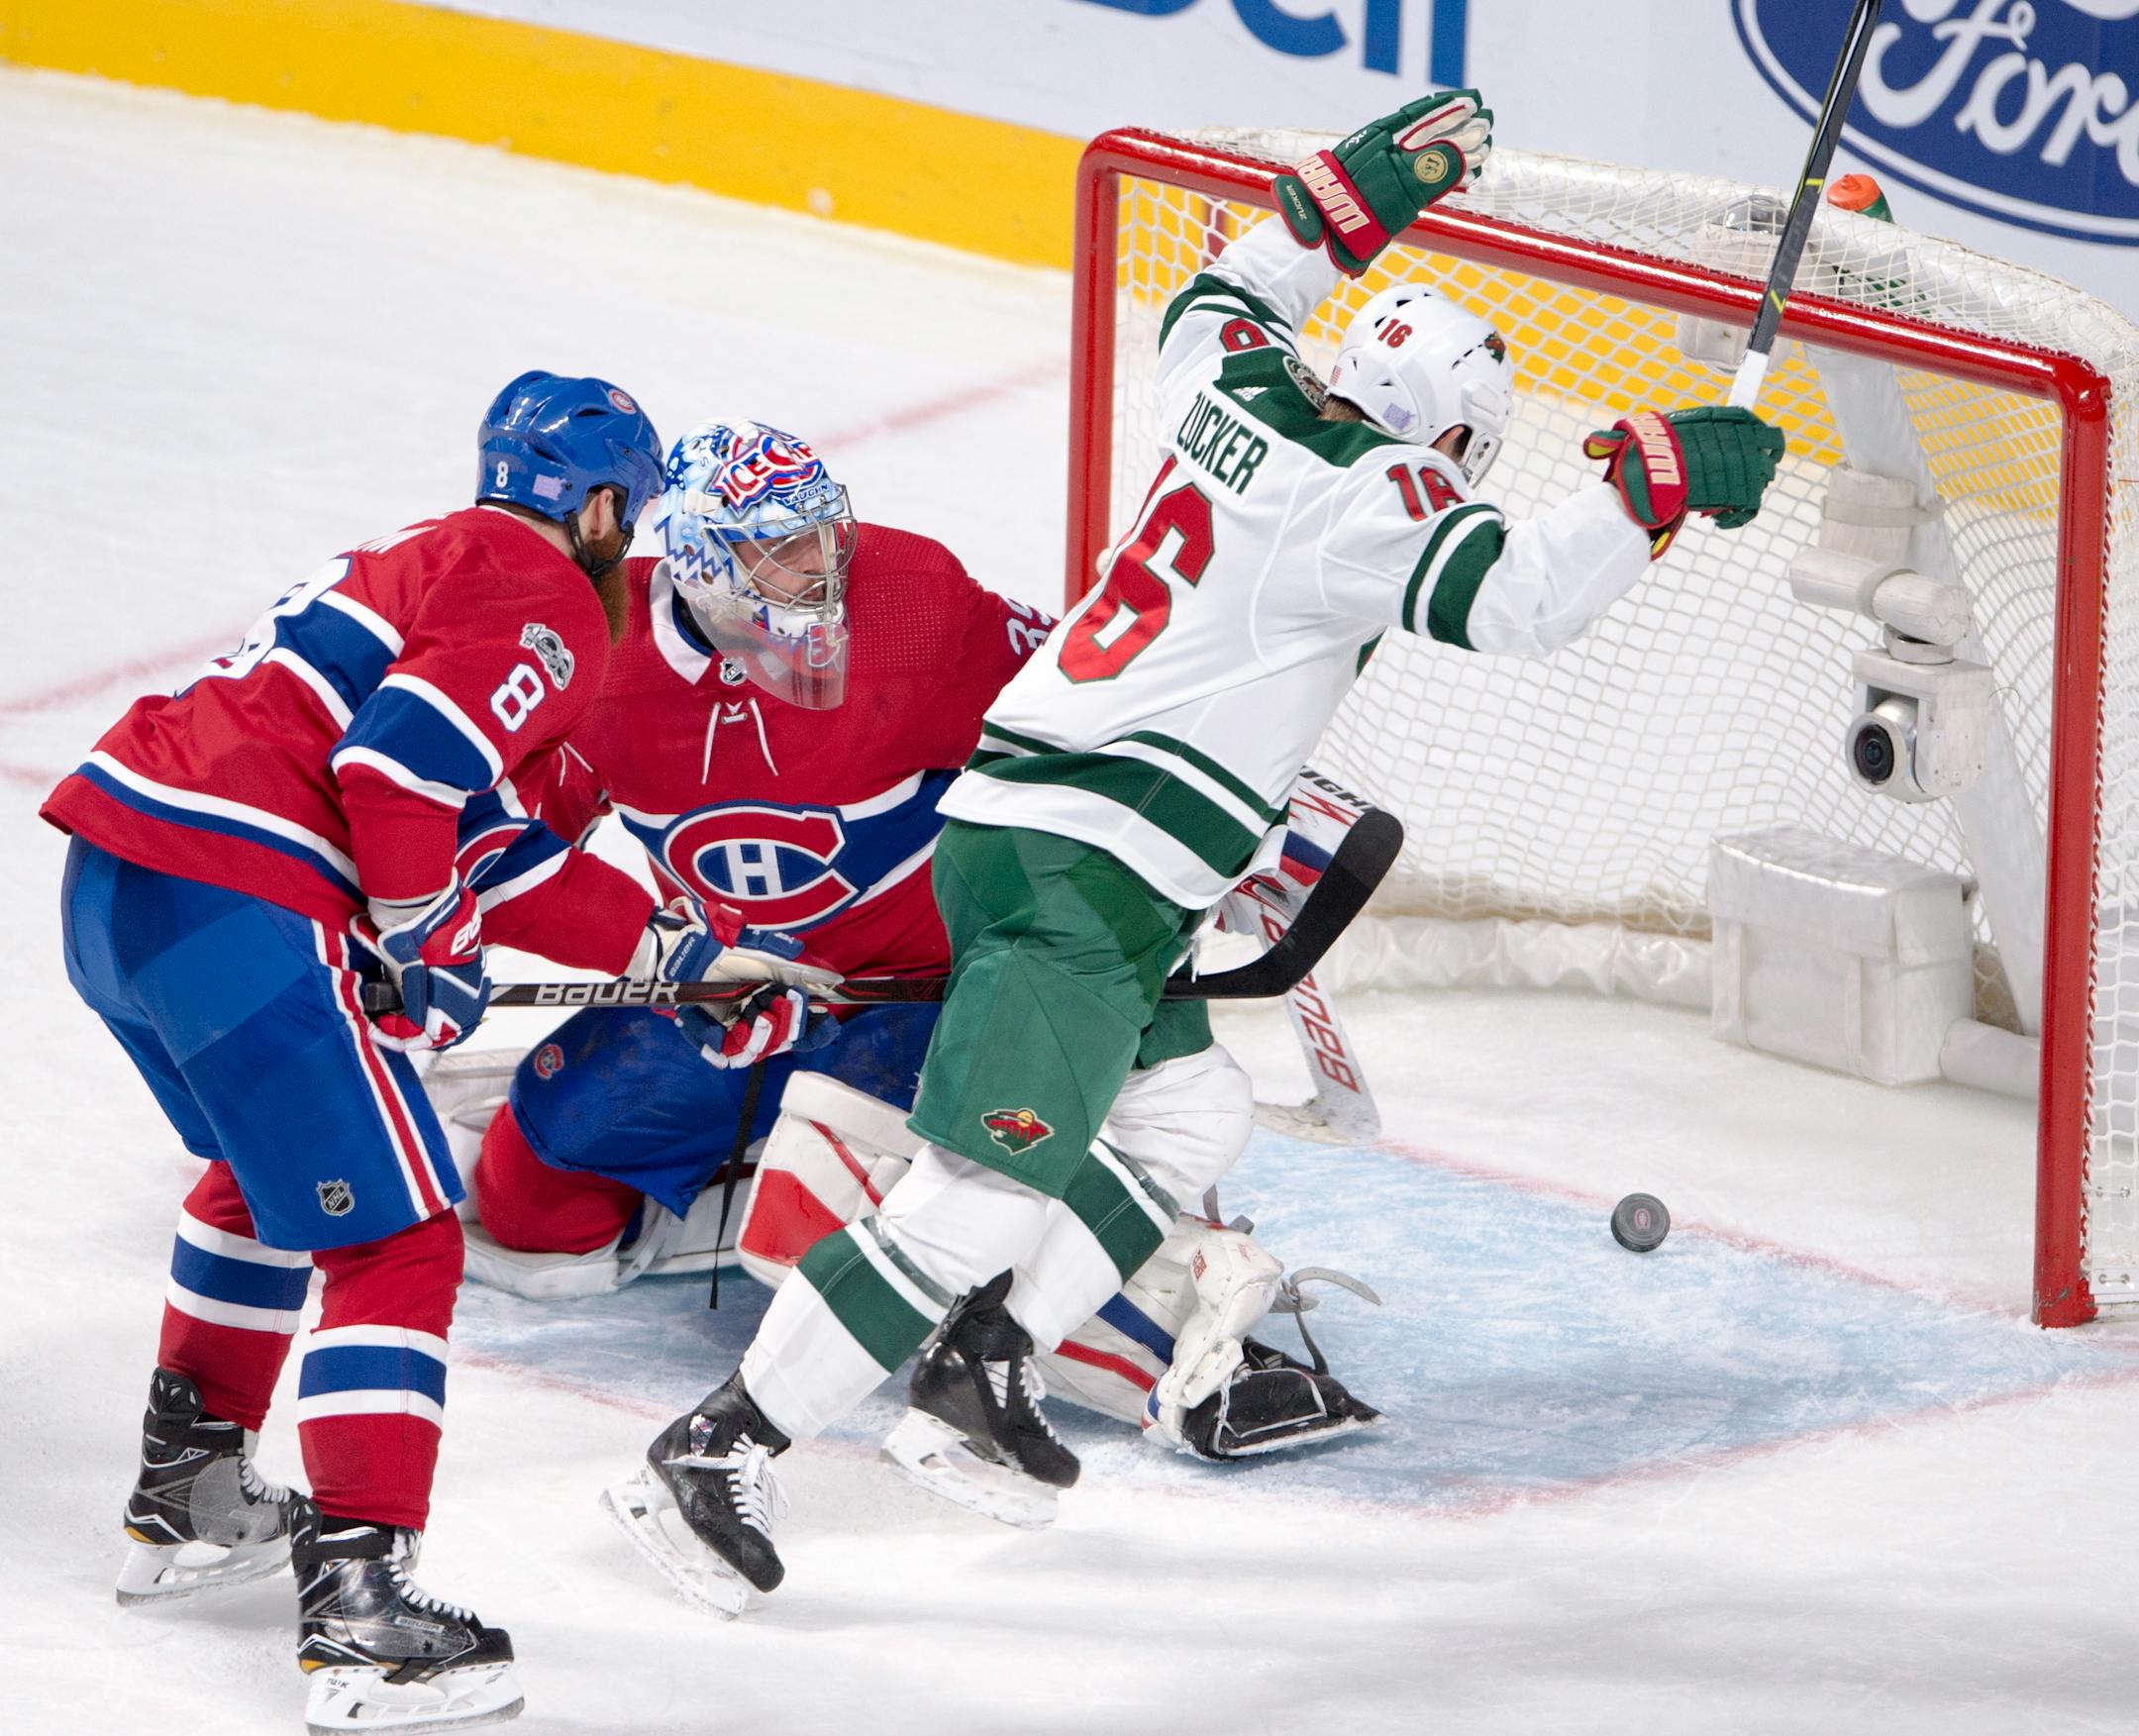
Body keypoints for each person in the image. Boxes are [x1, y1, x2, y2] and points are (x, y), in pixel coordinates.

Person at [607, 89, 1786, 1615]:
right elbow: (1523, 601)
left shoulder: (1221, 386)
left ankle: (986, 1365)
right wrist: (1655, 486)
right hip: (1081, 872)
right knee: (966, 1194)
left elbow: (1234, 284)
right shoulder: (1374, 499)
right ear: (1451, 444)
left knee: (1192, 1107)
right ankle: (716, 1445)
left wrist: (1349, 201)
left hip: (1056, 845)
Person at [41, 372, 810, 1732]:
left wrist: (680, 955)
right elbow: (394, 785)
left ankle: (192, 1490)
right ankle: (362, 1620)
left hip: (128, 884)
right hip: (240, 897)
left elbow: (485, 843)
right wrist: (418, 931)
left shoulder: (435, 561)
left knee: (262, 1169)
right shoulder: (546, 590)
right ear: (606, 506)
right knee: (398, 1242)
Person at [448, 418, 1054, 1295]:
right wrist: (417, 922)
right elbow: (518, 836)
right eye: (780, 549)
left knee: (826, 1228)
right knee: (529, 1198)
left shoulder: (914, 601)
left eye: (822, 534)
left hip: (921, 990)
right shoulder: (596, 646)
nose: (822, 569)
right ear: (698, 560)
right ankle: (755, 1181)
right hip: (726, 992)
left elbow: (1088, 703)